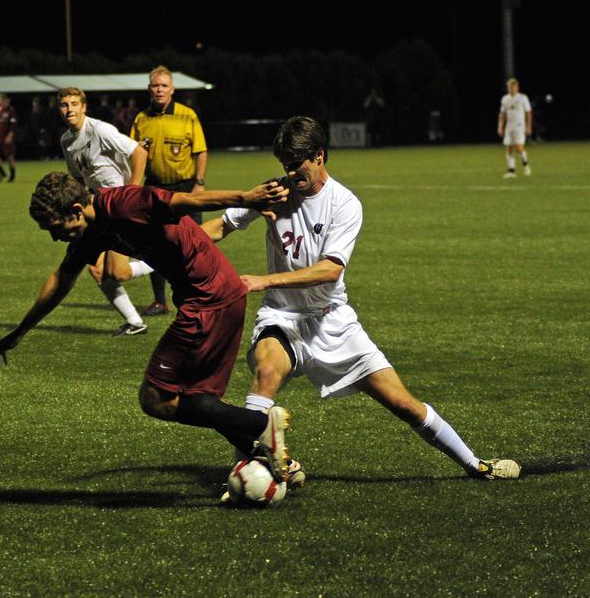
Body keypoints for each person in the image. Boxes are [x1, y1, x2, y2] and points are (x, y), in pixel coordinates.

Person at [202, 115, 521, 483]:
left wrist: (264, 280)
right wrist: (179, 244)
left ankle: (476, 465)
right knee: (268, 372)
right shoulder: (275, 192)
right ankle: (242, 473)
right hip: (282, 316)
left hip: (331, 319)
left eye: (296, 163)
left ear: (319, 155)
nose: (290, 172)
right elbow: (221, 226)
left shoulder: (344, 203)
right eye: (285, 164)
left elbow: (330, 269)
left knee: (403, 404)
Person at [0, 171, 295, 490]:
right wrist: (21, 330)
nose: (54, 237)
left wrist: (247, 198)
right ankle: (271, 457)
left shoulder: (124, 203)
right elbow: (61, 280)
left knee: (155, 397)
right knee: (198, 400)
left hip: (207, 299)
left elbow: (186, 200)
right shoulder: (92, 232)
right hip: (214, 296)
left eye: (55, 227)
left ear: (77, 210)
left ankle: (261, 424)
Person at [58, 86, 153, 337]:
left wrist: (132, 192)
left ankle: (161, 261)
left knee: (118, 272)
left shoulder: (100, 130)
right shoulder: (66, 140)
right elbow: (78, 178)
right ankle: (135, 322)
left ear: (84, 107)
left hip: (119, 207)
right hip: (97, 207)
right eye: (64, 105)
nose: (69, 109)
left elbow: (139, 152)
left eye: (74, 104)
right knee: (97, 268)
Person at [130, 65, 208, 317]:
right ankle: (160, 301)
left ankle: (199, 296)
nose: (159, 89)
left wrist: (199, 183)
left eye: (164, 85)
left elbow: (201, 151)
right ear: (149, 89)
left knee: (194, 244)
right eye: (155, 85)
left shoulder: (188, 115)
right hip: (154, 188)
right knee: (155, 245)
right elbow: (133, 154)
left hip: (185, 188)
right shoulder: (141, 119)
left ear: (172, 89)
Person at [497, 77, 533, 178]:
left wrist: (528, 126)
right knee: (509, 147)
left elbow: (528, 113)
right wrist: (500, 126)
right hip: (509, 126)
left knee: (519, 146)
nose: (512, 89)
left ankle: (526, 166)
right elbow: (502, 114)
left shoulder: (522, 98)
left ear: (517, 87)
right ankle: (511, 170)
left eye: (513, 87)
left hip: (519, 126)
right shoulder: (505, 99)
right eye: (510, 87)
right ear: (508, 88)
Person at [0, 93, 17, 182]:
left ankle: (12, 176)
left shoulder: (11, 111)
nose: (0, 102)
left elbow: (13, 124)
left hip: (6, 137)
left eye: (2, 100)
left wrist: (10, 134)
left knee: (10, 157)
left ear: (6, 100)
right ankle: (2, 173)